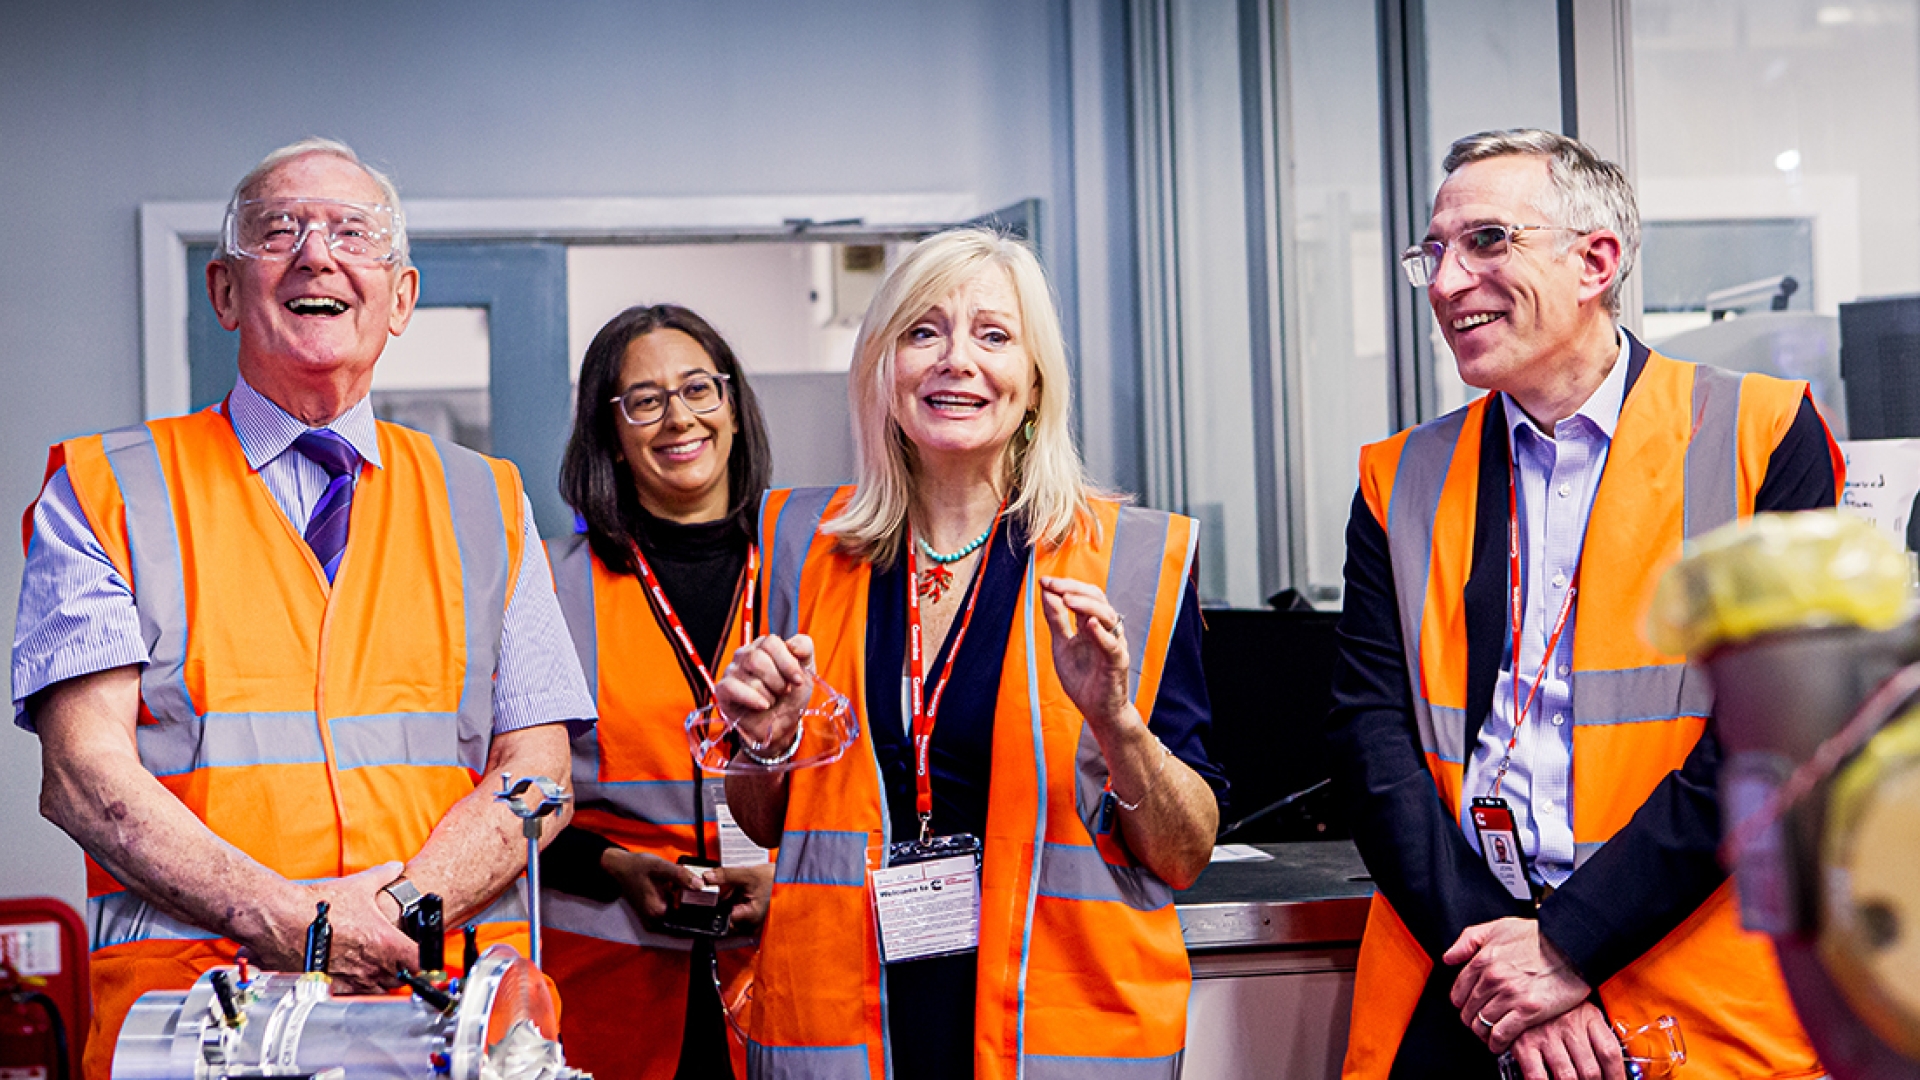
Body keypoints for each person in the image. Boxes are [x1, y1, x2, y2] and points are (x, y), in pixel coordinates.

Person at [12, 138, 595, 1080]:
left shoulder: (486, 499)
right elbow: (83, 774)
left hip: (439, 1020)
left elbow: (539, 774)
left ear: (401, 297)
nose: (316, 253)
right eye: (279, 230)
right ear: (226, 292)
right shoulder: (106, 489)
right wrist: (299, 924)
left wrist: (399, 911)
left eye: (353, 233)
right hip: (191, 1026)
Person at [1329, 128, 1842, 1080]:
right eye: (1432, 253)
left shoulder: (1764, 433)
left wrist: (1568, 945)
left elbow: (1778, 739)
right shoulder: (1398, 478)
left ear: (1595, 261)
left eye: (1485, 242)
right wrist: (1503, 961)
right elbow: (1371, 738)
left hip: (1684, 978)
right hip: (1461, 980)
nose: (1445, 283)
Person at [712, 228, 1226, 1079]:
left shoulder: (1128, 557)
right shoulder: (804, 540)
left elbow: (1184, 853)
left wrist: (1115, 721)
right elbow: (770, 822)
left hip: (1052, 1033)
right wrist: (766, 741)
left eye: (993, 335)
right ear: (884, 367)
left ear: (1033, 383)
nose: (957, 360)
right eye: (924, 332)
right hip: (848, 1025)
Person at [539, 304, 778, 1080]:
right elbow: (492, 799)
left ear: (734, 409)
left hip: (787, 986)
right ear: (611, 433)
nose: (679, 417)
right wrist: (611, 864)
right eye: (644, 400)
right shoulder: (545, 585)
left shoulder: (817, 570)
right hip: (607, 996)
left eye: (700, 389)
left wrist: (796, 874)